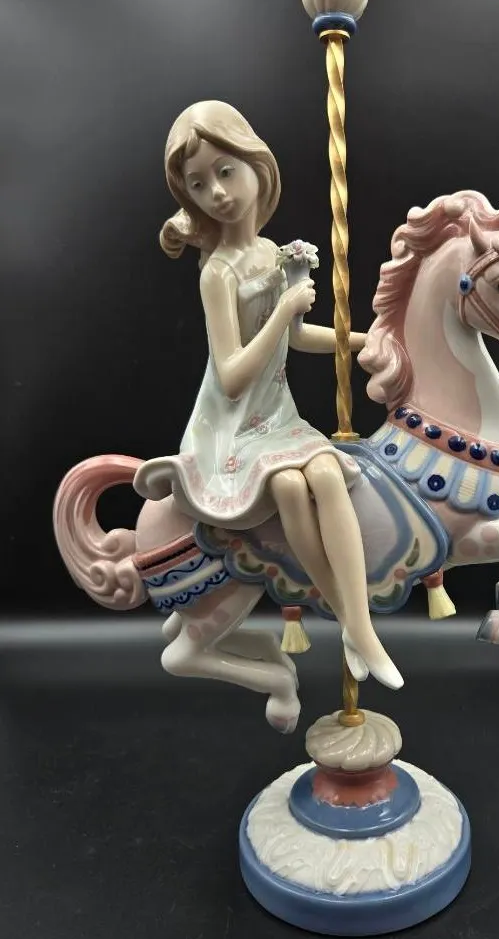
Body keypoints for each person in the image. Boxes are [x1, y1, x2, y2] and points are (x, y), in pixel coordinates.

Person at [134, 100, 403, 690]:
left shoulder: (273, 253)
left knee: (326, 474)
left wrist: (364, 340)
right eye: (199, 184)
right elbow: (231, 373)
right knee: (287, 486)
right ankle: (352, 622)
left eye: (225, 172)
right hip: (231, 430)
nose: (217, 192)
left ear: (257, 166)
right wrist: (282, 310)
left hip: (277, 417)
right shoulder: (218, 272)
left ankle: (360, 628)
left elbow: (299, 337)